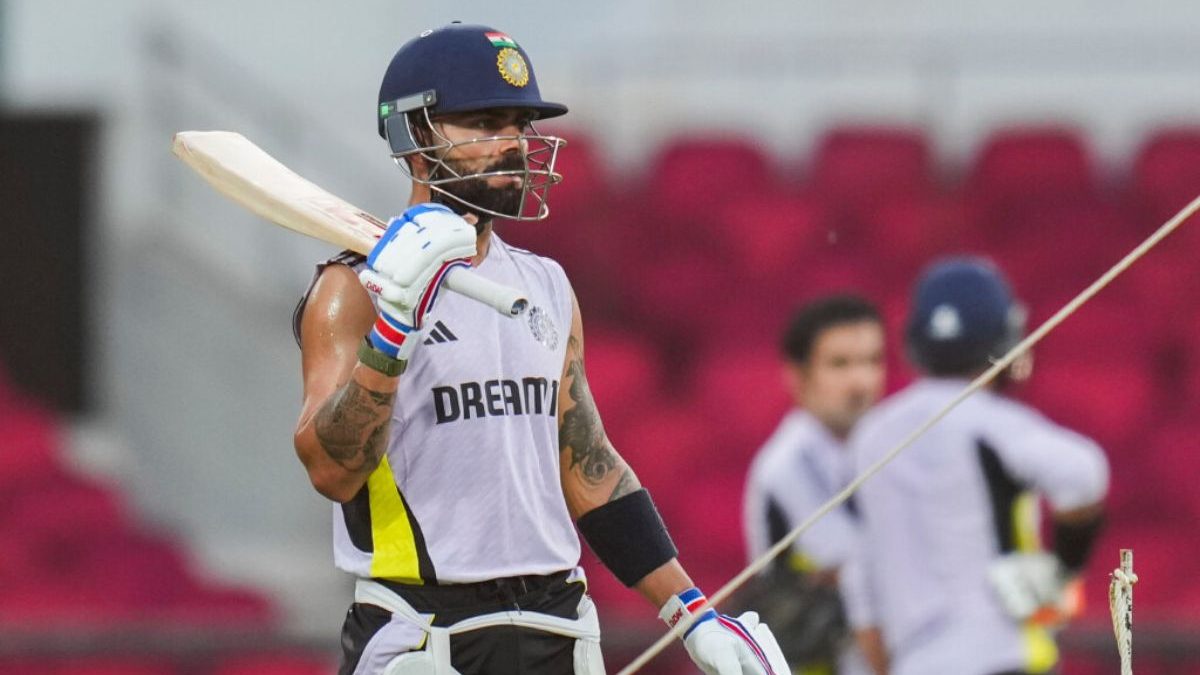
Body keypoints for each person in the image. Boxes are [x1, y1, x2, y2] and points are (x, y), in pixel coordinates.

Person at [290, 23, 789, 675]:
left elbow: (590, 466)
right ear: (414, 140)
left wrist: (691, 612)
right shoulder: (352, 288)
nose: (515, 145)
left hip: (558, 622)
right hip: (424, 631)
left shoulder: (546, 284)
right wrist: (394, 329)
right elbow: (332, 470)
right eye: (484, 123)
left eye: (519, 126)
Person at [840, 258, 1109, 675]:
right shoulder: (988, 421)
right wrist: (1064, 568)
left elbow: (860, 575)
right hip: (1001, 655)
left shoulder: (871, 437)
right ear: (1006, 336)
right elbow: (1083, 475)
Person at [740, 295, 885, 675]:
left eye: (872, 361)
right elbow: (856, 564)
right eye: (840, 364)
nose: (861, 381)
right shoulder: (787, 464)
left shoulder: (889, 447)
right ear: (798, 376)